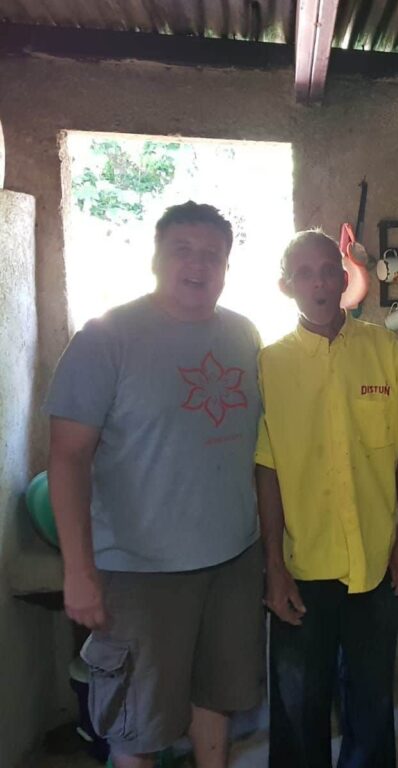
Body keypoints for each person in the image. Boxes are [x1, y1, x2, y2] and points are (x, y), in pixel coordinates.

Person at [46, 202, 264, 768]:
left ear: (226, 266)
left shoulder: (243, 334)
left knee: (218, 697)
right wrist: (78, 570)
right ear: (155, 257)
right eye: (182, 251)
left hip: (233, 559)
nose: (197, 265)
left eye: (212, 254)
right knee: (136, 724)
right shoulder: (107, 337)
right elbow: (67, 458)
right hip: (140, 572)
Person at [256, 230, 398, 768]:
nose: (318, 281)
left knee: (371, 701)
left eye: (327, 270)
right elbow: (265, 470)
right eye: (304, 272)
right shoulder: (270, 365)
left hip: (376, 562)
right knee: (298, 704)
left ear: (344, 279)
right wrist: (273, 567)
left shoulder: (385, 349)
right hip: (302, 564)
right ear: (286, 285)